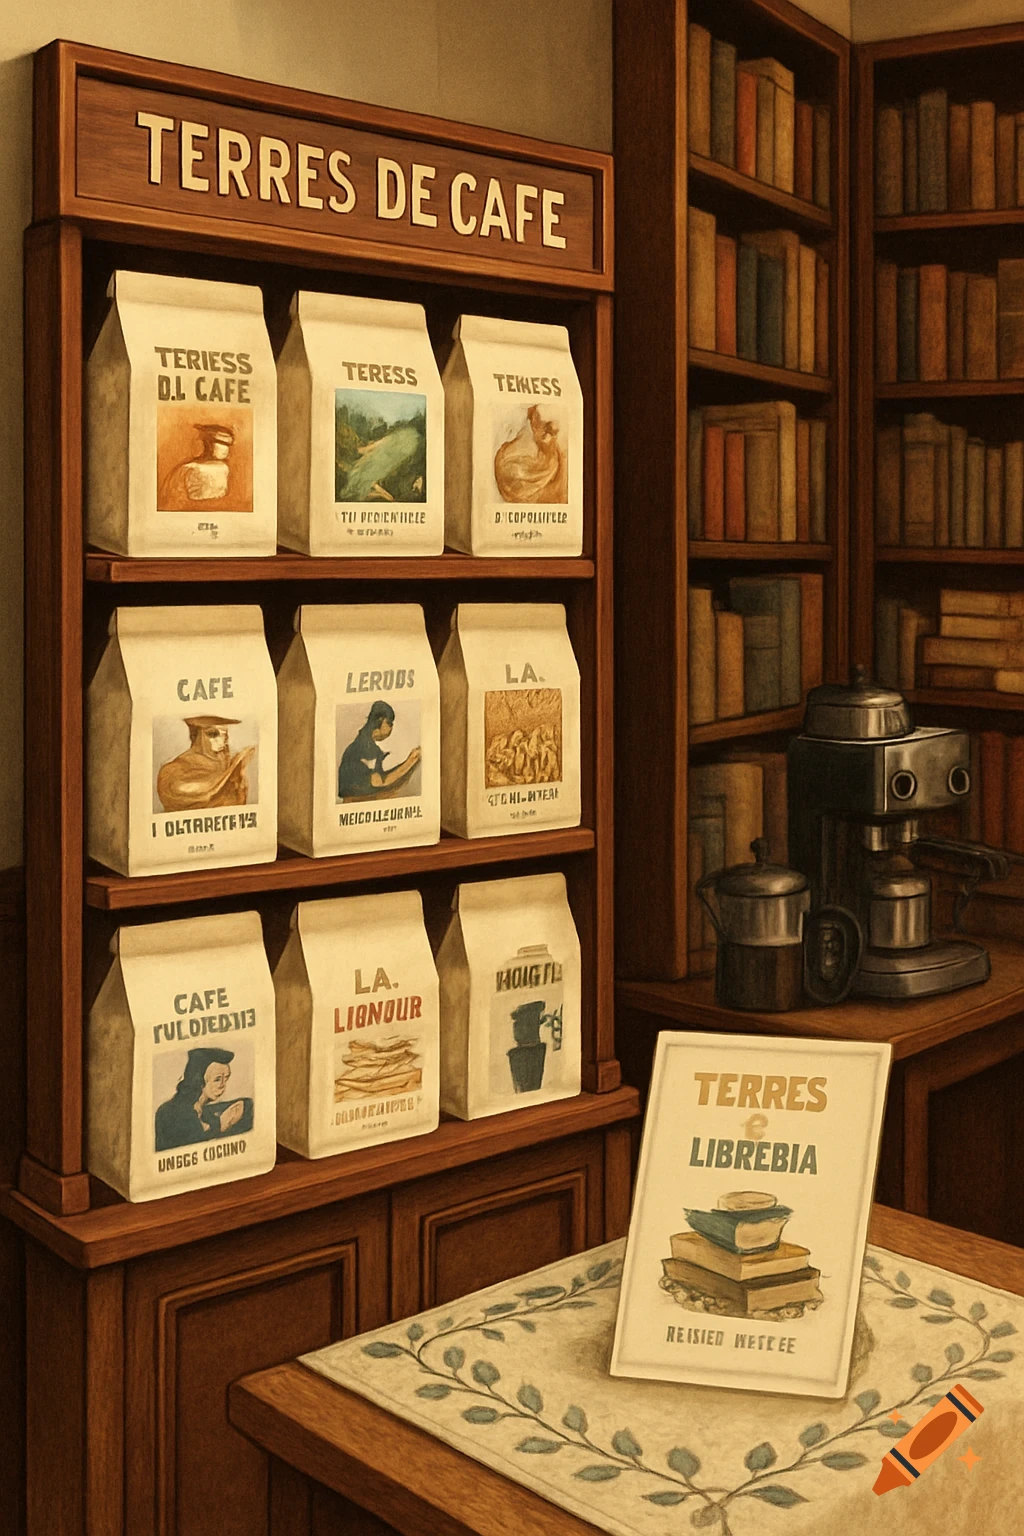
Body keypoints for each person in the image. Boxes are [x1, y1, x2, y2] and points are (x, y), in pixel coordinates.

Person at [154, 1046, 254, 1152]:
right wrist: (219, 1126)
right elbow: (193, 1145)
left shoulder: (202, 1111)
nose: (222, 1085)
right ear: (199, 1079)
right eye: (217, 1079)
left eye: (226, 1078)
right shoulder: (172, 1113)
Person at [156, 715, 255, 812]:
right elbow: (177, 790)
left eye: (224, 734)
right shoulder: (173, 769)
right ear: (198, 737)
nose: (222, 740)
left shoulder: (227, 763)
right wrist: (231, 772)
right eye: (212, 734)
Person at [337, 699, 421, 801]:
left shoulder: (361, 744)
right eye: (389, 723)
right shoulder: (363, 748)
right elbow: (380, 782)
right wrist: (410, 761)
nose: (392, 727)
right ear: (380, 720)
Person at [160, 422, 235, 508]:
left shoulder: (223, 469)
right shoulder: (189, 468)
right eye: (221, 443)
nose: (225, 449)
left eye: (227, 444)